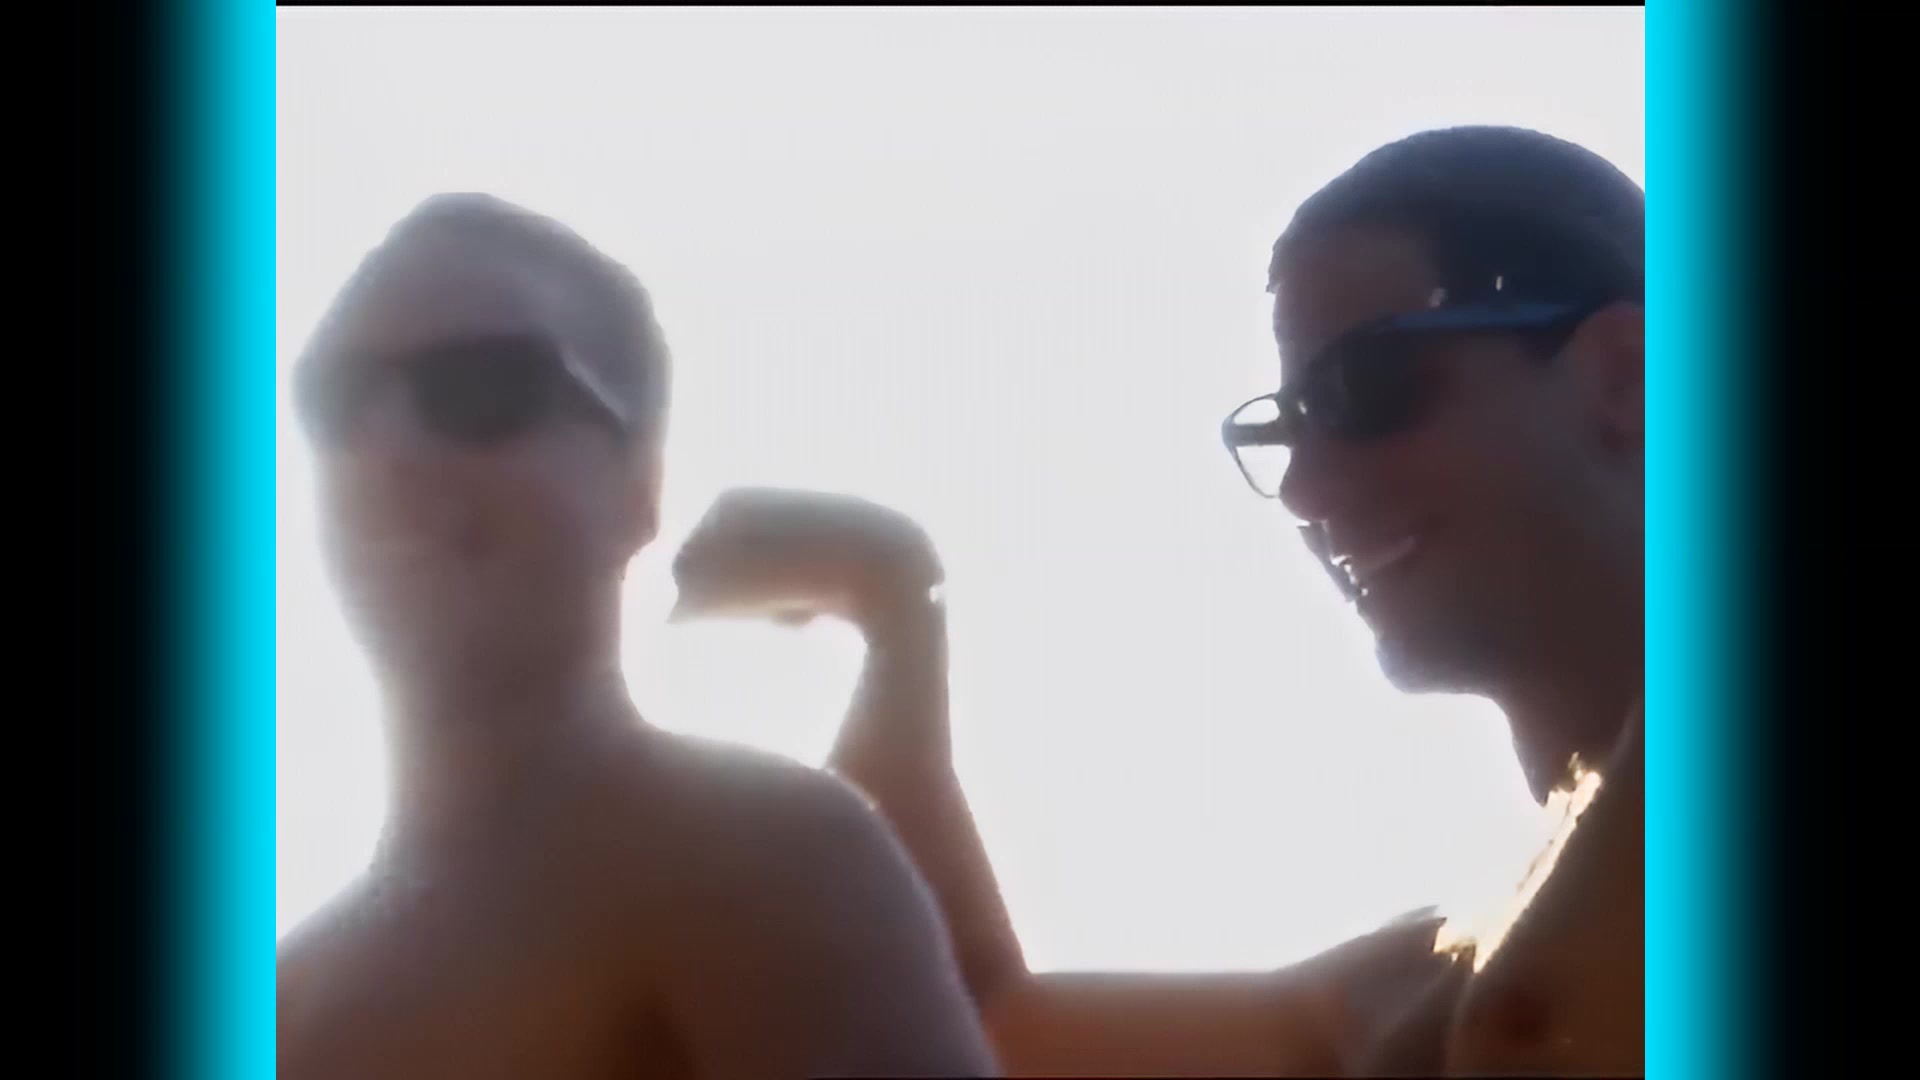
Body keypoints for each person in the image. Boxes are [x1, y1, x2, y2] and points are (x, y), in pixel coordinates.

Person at [669, 125, 1645, 1076]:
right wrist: (893, 611)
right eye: (1284, 428)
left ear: (1628, 375)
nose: (1305, 489)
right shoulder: (1443, 986)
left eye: (1366, 387)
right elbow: (975, 1028)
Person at [274, 194, 998, 1080]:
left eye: (479, 388)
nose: (386, 447)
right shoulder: (280, 993)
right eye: (338, 401)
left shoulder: (753, 864)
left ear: (639, 488)